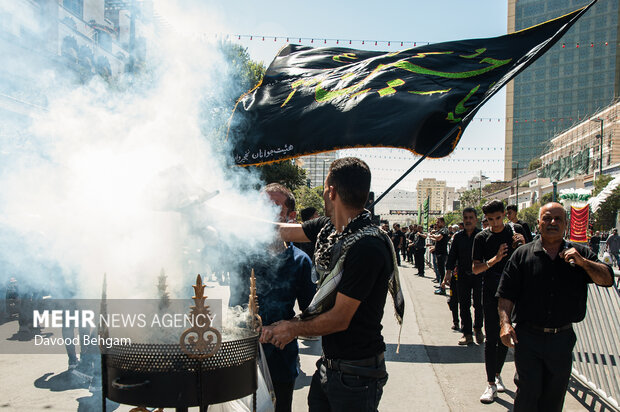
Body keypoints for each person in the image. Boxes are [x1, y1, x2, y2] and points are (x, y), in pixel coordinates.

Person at [260, 157, 404, 412]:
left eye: (325, 187)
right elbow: (280, 230)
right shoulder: (330, 228)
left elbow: (339, 318)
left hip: (357, 375)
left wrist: (291, 328)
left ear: (332, 191)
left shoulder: (367, 246)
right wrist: (219, 215)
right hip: (330, 365)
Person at [497, 202, 614, 411]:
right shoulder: (522, 255)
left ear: (566, 225)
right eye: (547, 218)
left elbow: (606, 279)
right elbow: (506, 294)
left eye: (558, 219)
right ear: (538, 223)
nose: (552, 223)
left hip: (561, 339)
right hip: (528, 338)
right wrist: (505, 324)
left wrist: (584, 263)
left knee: (554, 396)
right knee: (527, 393)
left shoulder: (579, 253)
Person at [229, 183, 315, 412]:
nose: (263, 211)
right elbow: (233, 308)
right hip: (242, 357)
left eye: (274, 206)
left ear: (291, 216)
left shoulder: (300, 261)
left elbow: (312, 314)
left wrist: (289, 327)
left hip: (280, 358)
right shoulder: (241, 255)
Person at [472, 199, 527, 404]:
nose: (494, 223)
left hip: (512, 293)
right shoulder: (481, 237)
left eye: (498, 218)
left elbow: (528, 256)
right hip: (490, 292)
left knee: (507, 335)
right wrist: (494, 260)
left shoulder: (516, 231)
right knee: (491, 337)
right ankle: (490, 383)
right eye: (490, 219)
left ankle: (496, 373)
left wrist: (522, 244)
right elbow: (476, 268)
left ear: (505, 214)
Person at [442, 207, 484, 345]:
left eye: (471, 217)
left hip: (479, 276)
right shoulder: (458, 237)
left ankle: (478, 329)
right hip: (462, 275)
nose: (468, 220)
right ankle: (467, 334)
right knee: (464, 305)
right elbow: (452, 256)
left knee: (479, 304)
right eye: (465, 218)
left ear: (476, 219)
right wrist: (447, 275)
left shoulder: (482, 236)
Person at [429, 217, 449, 288]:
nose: (437, 223)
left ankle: (442, 287)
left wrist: (433, 235)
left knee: (442, 271)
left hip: (442, 253)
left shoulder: (444, 230)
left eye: (438, 222)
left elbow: (438, 237)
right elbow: (436, 238)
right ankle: (441, 284)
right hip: (438, 253)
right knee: (440, 271)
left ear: (443, 222)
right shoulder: (440, 230)